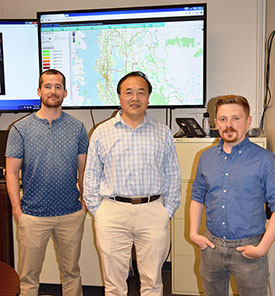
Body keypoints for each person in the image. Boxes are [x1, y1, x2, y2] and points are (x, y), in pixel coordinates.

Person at [83, 71, 181, 296]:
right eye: (129, 92)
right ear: (119, 97)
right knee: (114, 283)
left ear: (148, 98)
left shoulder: (162, 132)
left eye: (141, 92)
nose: (134, 98)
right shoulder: (102, 132)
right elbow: (91, 176)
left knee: (153, 281)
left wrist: (167, 211)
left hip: (153, 211)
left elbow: (173, 174)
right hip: (112, 212)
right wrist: (99, 211)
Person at [5, 69, 89, 296]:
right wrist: (17, 210)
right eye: (48, 86)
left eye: (58, 87)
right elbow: (11, 173)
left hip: (70, 214)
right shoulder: (20, 129)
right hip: (32, 216)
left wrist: (84, 203)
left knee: (71, 272)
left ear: (65, 92)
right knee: (29, 277)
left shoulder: (78, 128)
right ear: (39, 91)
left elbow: (85, 169)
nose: (53, 91)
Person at [190, 95, 275, 296]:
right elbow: (197, 195)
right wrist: (194, 233)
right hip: (212, 247)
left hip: (250, 249)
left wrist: (262, 248)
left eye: (236, 118)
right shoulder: (205, 157)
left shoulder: (265, 160)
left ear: (248, 121)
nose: (228, 125)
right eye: (223, 119)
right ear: (215, 122)